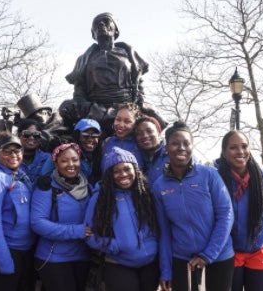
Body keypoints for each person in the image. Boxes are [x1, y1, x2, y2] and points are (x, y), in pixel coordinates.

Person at [152, 121, 234, 291]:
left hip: (218, 258)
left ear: (192, 146)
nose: (181, 147)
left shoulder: (209, 175)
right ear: (166, 148)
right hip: (183, 260)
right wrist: (166, 271)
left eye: (186, 143)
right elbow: (164, 231)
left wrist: (207, 255)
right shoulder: (159, 186)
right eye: (175, 143)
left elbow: (226, 215)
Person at [60, 12, 149, 135]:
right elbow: (79, 90)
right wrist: (84, 104)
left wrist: (136, 105)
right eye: (96, 24)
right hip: (95, 108)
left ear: (116, 31)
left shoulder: (129, 54)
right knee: (66, 107)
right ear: (93, 34)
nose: (101, 24)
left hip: (126, 107)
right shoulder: (85, 58)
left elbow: (138, 84)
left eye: (106, 21)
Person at [84, 146, 159, 291]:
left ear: (135, 170)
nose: (122, 174)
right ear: (108, 175)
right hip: (119, 264)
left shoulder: (146, 193)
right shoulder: (100, 198)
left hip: (151, 264)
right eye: (116, 171)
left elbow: (160, 225)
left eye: (126, 169)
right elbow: (88, 233)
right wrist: (114, 245)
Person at [216, 130, 263, 291]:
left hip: (258, 249)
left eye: (244, 146)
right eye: (233, 147)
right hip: (230, 251)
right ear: (224, 152)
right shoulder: (216, 178)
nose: (240, 151)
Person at [31, 143, 92, 291]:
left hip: (81, 256)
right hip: (54, 258)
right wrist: (76, 231)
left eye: (75, 159)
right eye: (64, 161)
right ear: (56, 163)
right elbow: (37, 222)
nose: (71, 164)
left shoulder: (87, 187)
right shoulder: (47, 187)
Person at [0, 133, 36, 291]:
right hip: (8, 252)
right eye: (7, 151)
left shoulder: (21, 176)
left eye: (17, 151)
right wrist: (5, 261)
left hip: (26, 251)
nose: (13, 155)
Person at [41, 118, 102, 185]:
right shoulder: (62, 151)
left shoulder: (97, 156)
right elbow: (45, 176)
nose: (90, 139)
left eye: (95, 136)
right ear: (77, 136)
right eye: (85, 135)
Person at [101, 102, 144, 171]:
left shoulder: (140, 144)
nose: (121, 125)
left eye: (127, 121)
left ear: (135, 124)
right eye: (118, 119)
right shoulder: (106, 142)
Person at [134, 115, 169, 184]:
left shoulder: (172, 154)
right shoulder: (138, 160)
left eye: (149, 131)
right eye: (139, 134)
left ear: (158, 133)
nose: (145, 136)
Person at [17, 118, 51, 185]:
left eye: (36, 134)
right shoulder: (8, 158)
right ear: (19, 135)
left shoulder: (48, 159)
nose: (31, 138)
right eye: (27, 134)